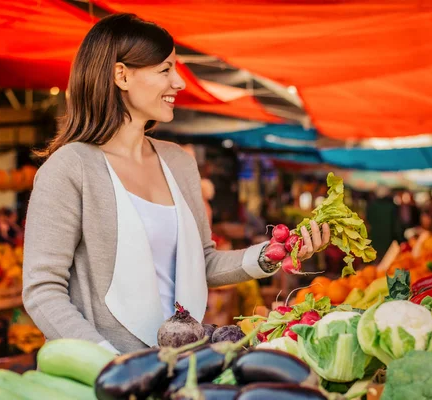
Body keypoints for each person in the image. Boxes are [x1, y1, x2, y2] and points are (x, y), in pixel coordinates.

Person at [22, 14, 330, 355]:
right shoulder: (70, 168)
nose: (179, 83)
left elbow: (202, 262)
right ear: (121, 75)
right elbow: (43, 290)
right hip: (105, 378)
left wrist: (276, 252)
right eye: (165, 70)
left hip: (184, 364)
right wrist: (107, 361)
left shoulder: (178, 162)